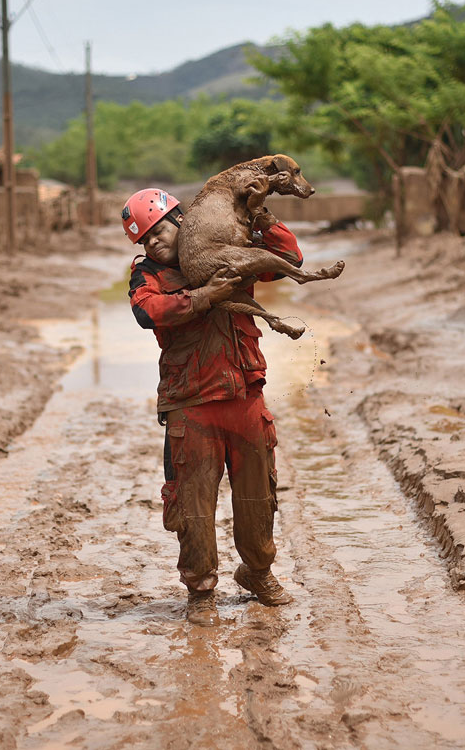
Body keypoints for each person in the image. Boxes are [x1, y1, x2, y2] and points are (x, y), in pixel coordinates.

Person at [121, 187, 301, 626]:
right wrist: (204, 296)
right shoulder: (146, 275)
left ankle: (258, 573)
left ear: (181, 221)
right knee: (193, 505)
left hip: (245, 398)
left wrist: (258, 214)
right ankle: (201, 593)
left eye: (157, 231)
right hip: (192, 406)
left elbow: (289, 257)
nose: (152, 244)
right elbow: (149, 312)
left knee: (259, 495)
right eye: (143, 240)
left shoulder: (230, 251)